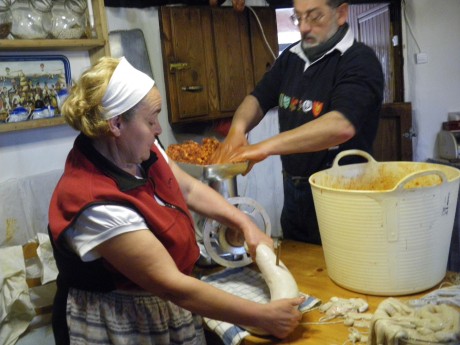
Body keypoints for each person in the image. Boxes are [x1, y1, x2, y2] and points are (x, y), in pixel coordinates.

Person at [48, 56, 303, 345]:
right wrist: (261, 316)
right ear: (116, 123)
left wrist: (246, 225)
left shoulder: (139, 148)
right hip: (119, 321)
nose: (159, 130)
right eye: (151, 119)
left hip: (166, 302)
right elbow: (173, 286)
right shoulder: (95, 204)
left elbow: (189, 190)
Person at [211, 0, 384, 244]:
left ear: (341, 13)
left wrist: (263, 147)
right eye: (298, 18)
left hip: (343, 193)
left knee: (343, 269)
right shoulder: (291, 57)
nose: (303, 27)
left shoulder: (359, 61)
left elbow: (340, 125)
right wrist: (237, 130)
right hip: (294, 192)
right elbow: (258, 99)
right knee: (300, 267)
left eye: (314, 17)